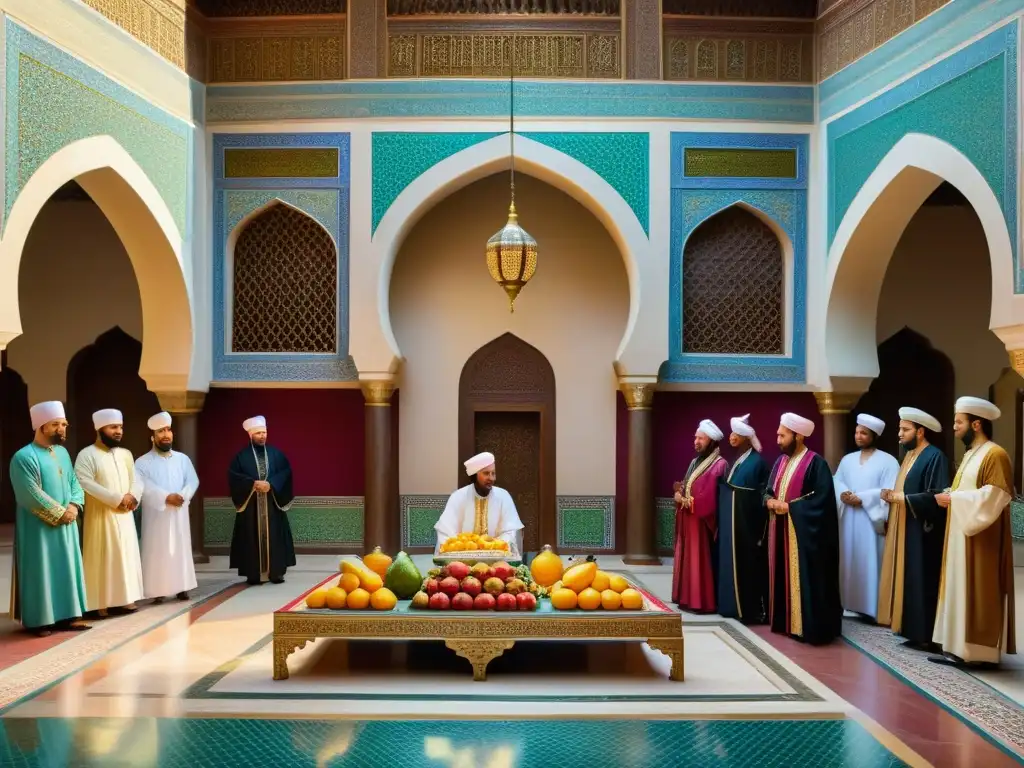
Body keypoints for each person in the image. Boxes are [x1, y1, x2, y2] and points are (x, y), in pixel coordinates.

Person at [931, 397, 1016, 668]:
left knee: (979, 591)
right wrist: (950, 495)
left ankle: (979, 653)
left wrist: (955, 500)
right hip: (960, 535)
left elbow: (997, 495)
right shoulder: (970, 454)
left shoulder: (995, 454)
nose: (954, 428)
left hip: (981, 539)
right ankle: (956, 648)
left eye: (959, 422)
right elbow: (968, 491)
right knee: (958, 588)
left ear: (976, 424)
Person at [8, 402, 90, 637]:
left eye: (64, 424)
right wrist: (59, 512)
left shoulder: (62, 453)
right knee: (41, 569)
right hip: (38, 529)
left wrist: (74, 505)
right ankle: (39, 620)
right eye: (55, 424)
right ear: (41, 426)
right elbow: (28, 493)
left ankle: (67, 616)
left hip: (68, 523)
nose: (61, 429)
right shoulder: (23, 457)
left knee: (66, 567)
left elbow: (74, 482)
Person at [764, 412, 842, 645]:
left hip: (804, 538)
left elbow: (822, 502)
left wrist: (790, 508)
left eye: (782, 435)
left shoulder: (816, 464)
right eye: (778, 434)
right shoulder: (780, 462)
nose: (777, 440)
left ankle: (806, 627)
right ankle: (784, 622)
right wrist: (768, 501)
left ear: (797, 436)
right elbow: (768, 489)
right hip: (780, 532)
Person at [878, 407, 949, 650]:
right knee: (908, 577)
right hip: (906, 526)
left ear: (920, 431)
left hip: (924, 530)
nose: (899, 434)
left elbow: (936, 496)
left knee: (922, 579)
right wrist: (893, 497)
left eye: (905, 430)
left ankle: (925, 635)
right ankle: (909, 629)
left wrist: (899, 498)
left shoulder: (934, 456)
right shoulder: (909, 456)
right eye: (900, 429)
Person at [74, 408, 145, 617]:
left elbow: (137, 479)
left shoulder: (126, 454)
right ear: (99, 429)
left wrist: (133, 496)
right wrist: (116, 499)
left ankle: (124, 599)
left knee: (125, 557)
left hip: (125, 516)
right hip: (100, 518)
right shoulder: (86, 455)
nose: (118, 431)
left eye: (120, 427)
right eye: (113, 427)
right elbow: (84, 482)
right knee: (103, 558)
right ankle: (99, 603)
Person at [834, 414, 899, 621]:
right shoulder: (847, 460)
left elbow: (889, 491)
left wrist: (862, 498)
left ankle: (873, 608)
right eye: (856, 432)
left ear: (874, 436)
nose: (858, 436)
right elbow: (837, 481)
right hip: (849, 520)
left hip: (872, 521)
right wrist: (843, 494)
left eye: (863, 433)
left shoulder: (888, 461)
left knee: (871, 560)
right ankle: (849, 604)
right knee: (849, 558)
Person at [134, 411, 199, 603]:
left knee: (180, 548)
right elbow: (143, 485)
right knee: (157, 551)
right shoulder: (142, 462)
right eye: (161, 431)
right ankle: (157, 591)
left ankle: (182, 588)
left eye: (168, 430)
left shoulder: (183, 459)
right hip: (156, 516)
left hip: (179, 512)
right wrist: (165, 497)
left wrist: (183, 495)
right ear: (152, 437)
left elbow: (192, 480)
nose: (166, 435)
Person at [228, 416, 296, 585]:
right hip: (251, 507)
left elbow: (285, 472)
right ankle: (254, 573)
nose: (262, 436)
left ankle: (276, 572)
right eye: (258, 433)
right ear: (250, 435)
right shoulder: (241, 457)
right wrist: (252, 484)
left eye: (264, 432)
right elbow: (234, 477)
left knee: (275, 536)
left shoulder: (276, 454)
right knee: (251, 536)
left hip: (272, 505)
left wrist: (271, 484)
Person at [716, 414, 770, 623]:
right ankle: (731, 605)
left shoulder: (757, 462)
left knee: (749, 568)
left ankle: (749, 610)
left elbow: (758, 493)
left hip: (748, 528)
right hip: (734, 526)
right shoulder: (738, 461)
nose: (731, 437)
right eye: (731, 433)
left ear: (746, 438)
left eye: (736, 434)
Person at [671, 419, 728, 613]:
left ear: (711, 441)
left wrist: (689, 501)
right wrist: (679, 494)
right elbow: (688, 484)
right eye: (695, 437)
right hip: (689, 520)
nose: (696, 441)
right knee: (688, 560)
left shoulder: (720, 465)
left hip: (702, 523)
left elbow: (712, 498)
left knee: (700, 562)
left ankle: (700, 602)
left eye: (700, 438)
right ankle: (686, 597)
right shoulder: (695, 461)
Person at [434, 452, 525, 557]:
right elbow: (446, 532)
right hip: (462, 560)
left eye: (493, 473)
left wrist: (492, 548)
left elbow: (510, 532)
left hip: (496, 559)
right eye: (486, 473)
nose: (491, 478)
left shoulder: (503, 496)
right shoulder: (458, 497)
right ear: (474, 476)